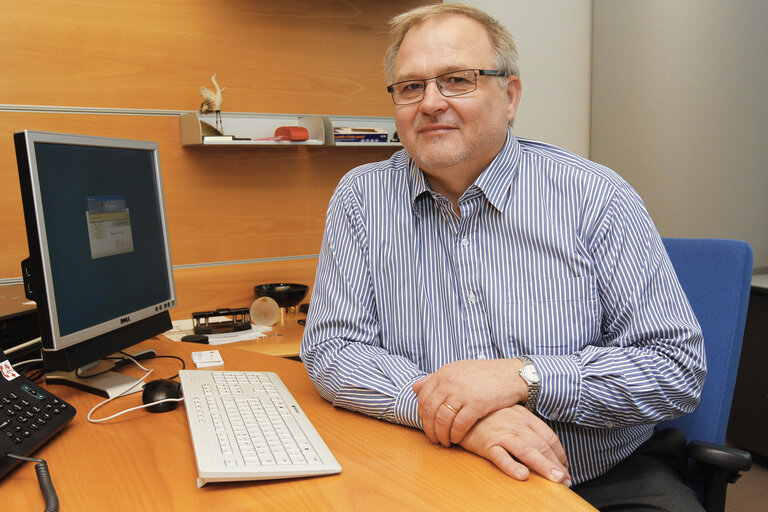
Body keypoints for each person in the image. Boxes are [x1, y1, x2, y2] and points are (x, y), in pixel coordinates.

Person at [301, 3, 706, 510]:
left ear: (509, 95)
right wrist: (463, 415)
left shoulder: (595, 196)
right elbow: (334, 350)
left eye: (457, 80)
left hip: (595, 475)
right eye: (410, 87)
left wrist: (524, 378)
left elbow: (674, 369)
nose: (430, 103)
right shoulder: (360, 199)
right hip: (432, 461)